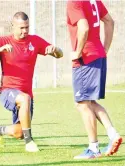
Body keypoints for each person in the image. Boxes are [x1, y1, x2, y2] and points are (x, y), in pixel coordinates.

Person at [0, 11, 63, 152]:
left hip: (27, 95)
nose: (25, 31)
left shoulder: (34, 41)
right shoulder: (3, 41)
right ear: (13, 26)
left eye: (27, 27)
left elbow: (59, 55)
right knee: (24, 100)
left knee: (19, 132)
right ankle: (29, 142)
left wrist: (55, 49)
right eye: (21, 28)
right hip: (7, 91)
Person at [67, 0, 122, 159]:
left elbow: (83, 27)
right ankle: (113, 135)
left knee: (82, 104)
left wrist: (78, 52)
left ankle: (93, 148)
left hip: (86, 58)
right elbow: (109, 21)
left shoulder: (74, 2)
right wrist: (104, 49)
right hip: (98, 55)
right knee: (90, 102)